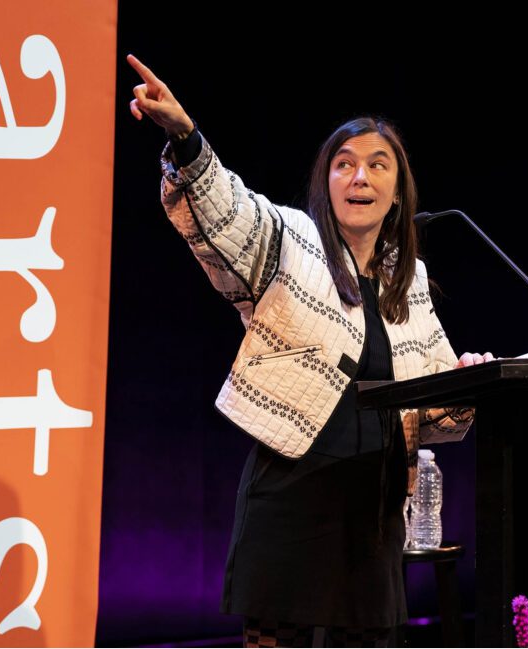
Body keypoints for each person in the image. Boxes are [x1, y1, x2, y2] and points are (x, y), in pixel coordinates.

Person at [127, 54, 494, 648]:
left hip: (372, 509)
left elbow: (434, 410)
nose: (360, 178)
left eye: (378, 166)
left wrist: (470, 386)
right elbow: (229, 212)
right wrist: (188, 139)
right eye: (344, 165)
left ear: (397, 192)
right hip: (292, 495)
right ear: (326, 182)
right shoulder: (293, 241)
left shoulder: (411, 280)